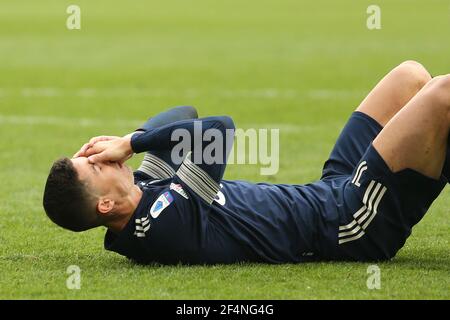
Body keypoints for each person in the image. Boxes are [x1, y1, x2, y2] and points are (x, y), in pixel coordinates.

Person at [43, 61, 449, 264]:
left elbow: (182, 115)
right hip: (348, 222)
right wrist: (132, 143)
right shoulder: (164, 225)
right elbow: (217, 130)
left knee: (409, 75)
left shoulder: (141, 196)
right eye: (95, 166)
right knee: (441, 95)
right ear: (104, 205)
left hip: (328, 189)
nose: (105, 160)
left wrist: (125, 142)